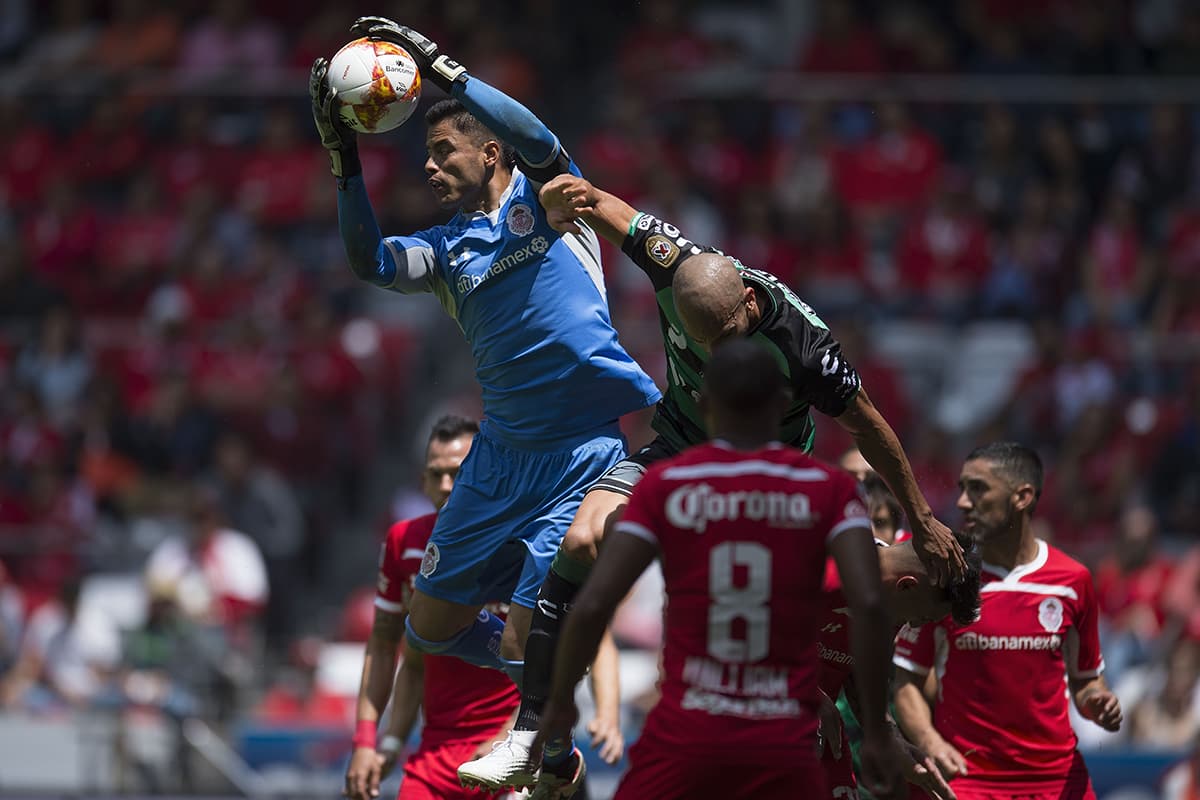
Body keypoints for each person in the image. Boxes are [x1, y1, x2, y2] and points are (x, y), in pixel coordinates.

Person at [468, 170, 967, 790]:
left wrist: (919, 516)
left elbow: (869, 427)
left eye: (730, 339)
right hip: (679, 444)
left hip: (765, 469)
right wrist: (552, 194)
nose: (723, 358)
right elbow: (595, 200)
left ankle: (826, 715)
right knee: (578, 543)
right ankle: (538, 736)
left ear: (750, 306)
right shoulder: (672, 261)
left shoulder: (805, 348)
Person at [309, 18, 660, 795]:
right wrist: (344, 159)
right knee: (431, 630)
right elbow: (370, 261)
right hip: (499, 456)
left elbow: (539, 135)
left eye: (445, 152)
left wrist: (441, 70)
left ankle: (545, 717)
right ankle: (543, 650)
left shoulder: (550, 199)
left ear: (490, 153)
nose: (430, 167)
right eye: (426, 154)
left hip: (579, 456)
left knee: (531, 631)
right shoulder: (446, 252)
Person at [536, 339, 910, 800]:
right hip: (783, 741)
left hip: (686, 733)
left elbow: (593, 603)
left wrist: (555, 707)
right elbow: (870, 604)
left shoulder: (667, 487)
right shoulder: (831, 491)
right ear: (783, 405)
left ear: (705, 404)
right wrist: (875, 730)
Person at [344, 416, 624, 800]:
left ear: (481, 476)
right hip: (435, 760)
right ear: (421, 480)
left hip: (512, 750)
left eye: (456, 474)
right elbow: (397, 654)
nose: (445, 486)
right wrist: (374, 743)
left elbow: (588, 640)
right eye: (435, 474)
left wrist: (602, 714)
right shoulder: (404, 544)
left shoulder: (526, 544)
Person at [892, 442, 1123, 800]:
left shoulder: (1072, 580)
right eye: (962, 489)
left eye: (978, 489)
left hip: (1057, 780)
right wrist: (930, 742)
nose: (963, 502)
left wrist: (1099, 702)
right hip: (970, 780)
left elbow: (1086, 683)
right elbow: (906, 678)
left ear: (1022, 497)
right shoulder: (949, 576)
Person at [816, 511, 983, 800]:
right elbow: (720, 627)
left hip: (820, 735)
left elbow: (857, 673)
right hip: (752, 714)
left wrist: (890, 739)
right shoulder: (824, 565)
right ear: (906, 584)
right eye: (921, 617)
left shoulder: (889, 606)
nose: (914, 626)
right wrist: (803, 692)